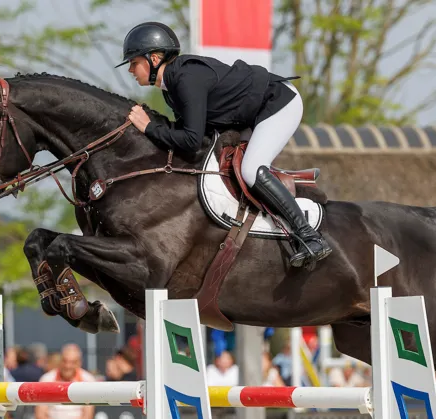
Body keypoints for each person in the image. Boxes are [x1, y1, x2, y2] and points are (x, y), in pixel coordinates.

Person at [117, 21, 331, 270]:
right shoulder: (171, 87)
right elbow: (192, 135)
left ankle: (309, 237)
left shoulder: (186, 78)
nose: (131, 69)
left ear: (154, 58)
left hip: (278, 103)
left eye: (134, 62)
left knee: (251, 170)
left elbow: (190, 140)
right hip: (250, 114)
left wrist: (149, 127)